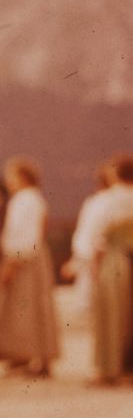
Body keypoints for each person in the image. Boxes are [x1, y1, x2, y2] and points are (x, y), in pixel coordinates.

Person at [65, 154, 133, 385]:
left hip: (113, 259)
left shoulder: (109, 199)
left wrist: (91, 265)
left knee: (110, 316)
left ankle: (109, 369)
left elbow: (96, 236)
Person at [0, 158, 59, 378]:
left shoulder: (26, 200)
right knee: (28, 309)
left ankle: (31, 357)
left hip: (25, 259)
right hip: (27, 257)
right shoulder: (29, 199)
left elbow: (27, 235)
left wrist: (12, 261)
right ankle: (26, 356)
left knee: (27, 310)